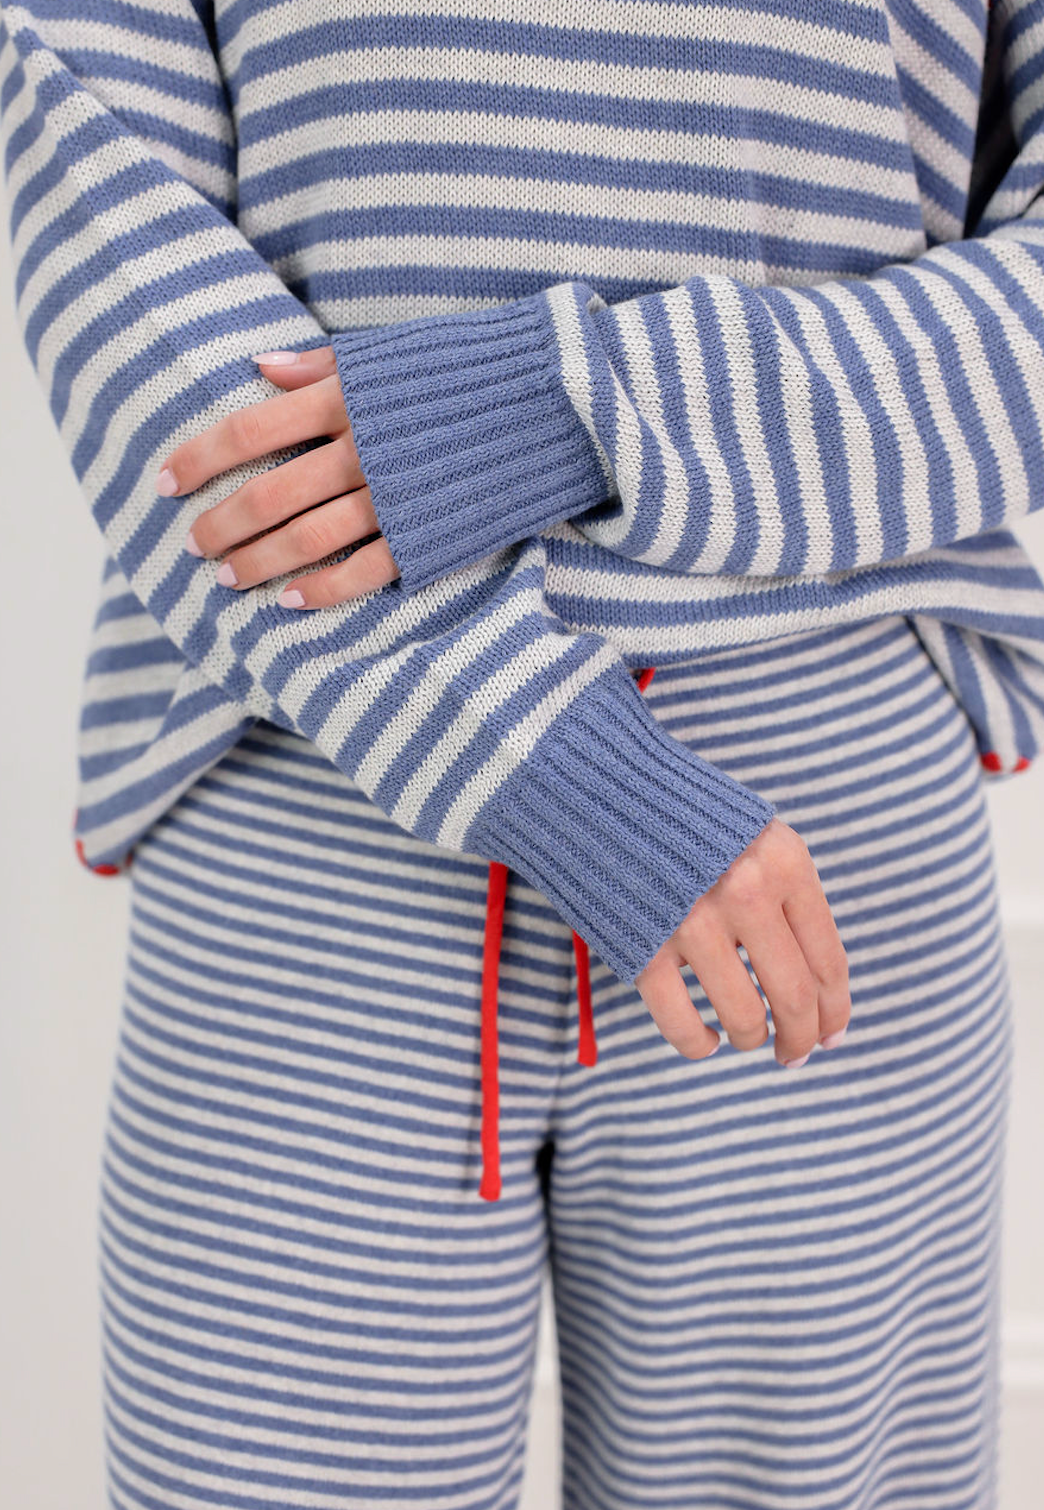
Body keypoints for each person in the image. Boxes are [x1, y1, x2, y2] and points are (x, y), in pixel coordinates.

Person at [2, 1, 1041, 1504]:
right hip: (309, 784)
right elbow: (96, 191)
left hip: (823, 810)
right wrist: (562, 766)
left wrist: (564, 404)